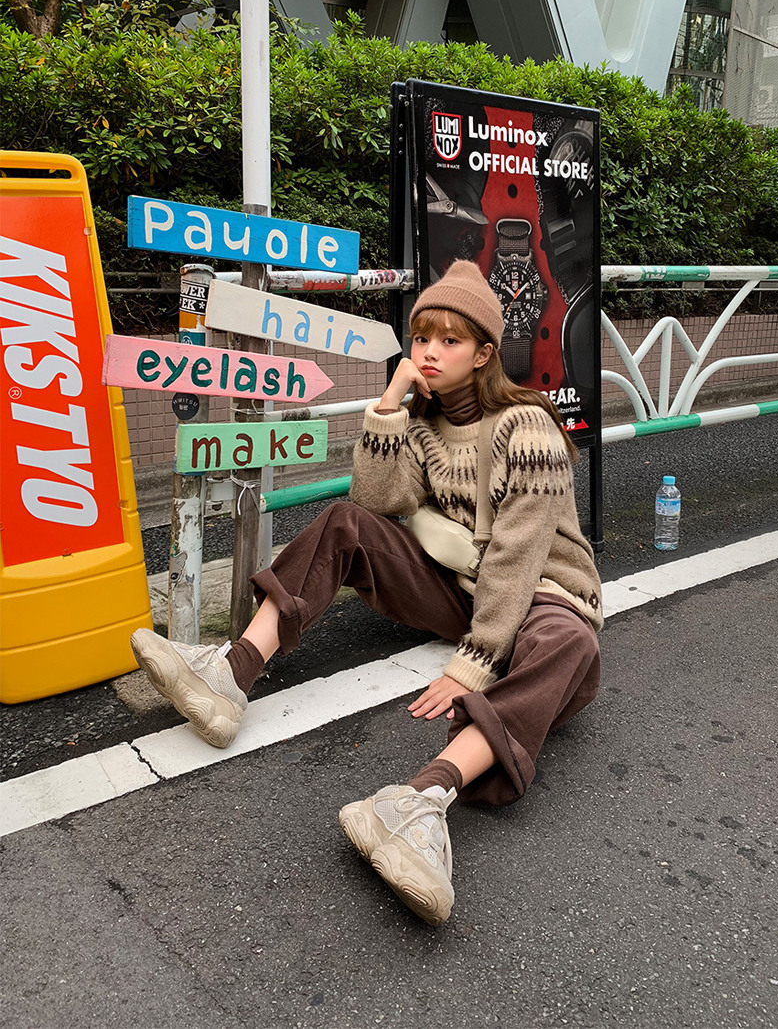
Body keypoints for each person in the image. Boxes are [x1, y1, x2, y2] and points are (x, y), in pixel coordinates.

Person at [131, 260, 603, 926]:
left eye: (449, 340)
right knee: (343, 523)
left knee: (570, 643)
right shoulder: (420, 424)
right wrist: (388, 407)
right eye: (422, 338)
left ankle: (419, 803)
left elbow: (518, 555)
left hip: (545, 593)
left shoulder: (526, 426)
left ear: (484, 353)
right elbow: (375, 502)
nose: (429, 352)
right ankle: (232, 674)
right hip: (462, 590)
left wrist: (474, 662)